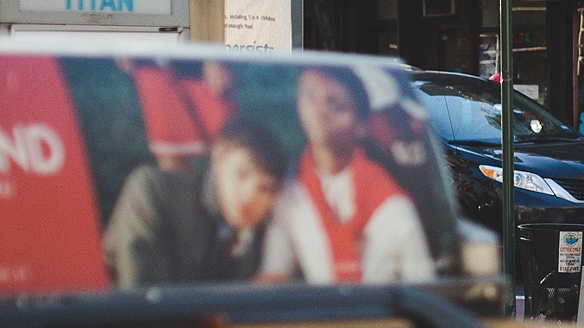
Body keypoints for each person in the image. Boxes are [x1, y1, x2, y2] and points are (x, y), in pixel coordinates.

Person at [261, 67, 436, 284]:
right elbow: (274, 273)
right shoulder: (290, 189)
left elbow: (422, 285)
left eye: (335, 104)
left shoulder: (393, 206)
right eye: (310, 96)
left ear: (361, 125)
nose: (319, 110)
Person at [101, 119, 286, 286]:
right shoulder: (156, 192)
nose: (249, 196)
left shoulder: (269, 235)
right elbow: (140, 301)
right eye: (241, 174)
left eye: (265, 188)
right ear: (218, 159)